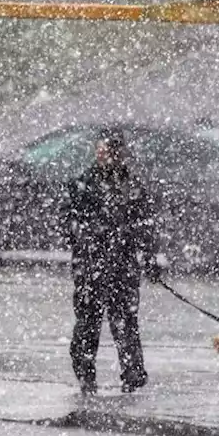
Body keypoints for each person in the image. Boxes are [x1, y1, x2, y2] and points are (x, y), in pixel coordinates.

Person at [62, 128, 160, 394]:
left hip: (119, 266)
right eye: (102, 150)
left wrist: (149, 257)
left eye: (109, 151)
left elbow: (145, 225)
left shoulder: (132, 186)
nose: (105, 156)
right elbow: (69, 225)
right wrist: (91, 237)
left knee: (123, 321)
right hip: (93, 265)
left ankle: (131, 374)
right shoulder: (84, 185)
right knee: (89, 321)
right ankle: (87, 375)